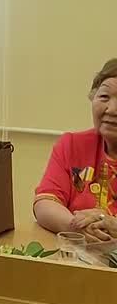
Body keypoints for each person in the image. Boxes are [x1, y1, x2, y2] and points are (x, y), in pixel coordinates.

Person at [34, 59, 117, 241]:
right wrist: (76, 226)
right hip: (78, 253)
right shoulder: (72, 145)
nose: (111, 109)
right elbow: (45, 203)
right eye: (104, 97)